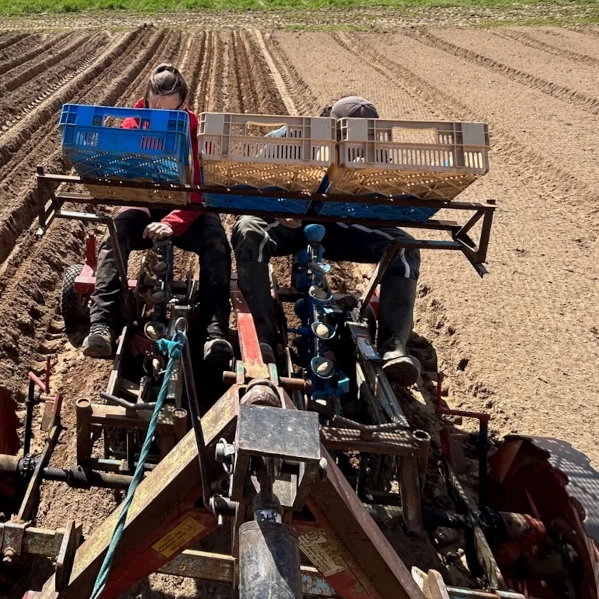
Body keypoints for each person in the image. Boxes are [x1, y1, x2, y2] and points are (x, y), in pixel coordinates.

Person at [232, 95, 423, 385]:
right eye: (344, 135)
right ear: (327, 124)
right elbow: (252, 181)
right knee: (249, 230)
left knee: (404, 249)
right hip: (291, 221)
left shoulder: (376, 152)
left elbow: (387, 200)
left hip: (341, 225)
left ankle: (393, 349)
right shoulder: (290, 138)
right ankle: (262, 338)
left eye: (361, 139)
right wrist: (277, 208)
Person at [81, 64, 233, 366]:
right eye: (155, 109)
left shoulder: (196, 132)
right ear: (146, 100)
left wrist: (170, 223)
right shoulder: (133, 127)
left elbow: (199, 190)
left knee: (216, 244)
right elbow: (122, 175)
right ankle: (102, 325)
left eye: (170, 113)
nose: (160, 118)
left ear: (184, 104)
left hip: (189, 209)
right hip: (144, 205)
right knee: (116, 235)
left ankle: (215, 333)